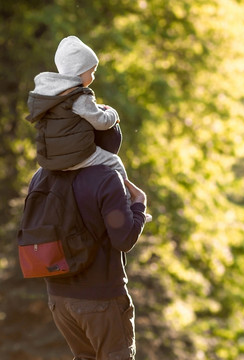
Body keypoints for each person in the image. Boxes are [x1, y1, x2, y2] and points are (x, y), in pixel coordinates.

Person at [26, 126, 148, 360]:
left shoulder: (42, 175)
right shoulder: (106, 177)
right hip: (101, 298)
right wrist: (139, 205)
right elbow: (124, 239)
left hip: (59, 299)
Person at [26, 35, 151, 221]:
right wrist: (113, 114)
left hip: (51, 158)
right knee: (114, 162)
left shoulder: (52, 97)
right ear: (79, 71)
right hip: (76, 155)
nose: (92, 77)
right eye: (91, 72)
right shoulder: (79, 96)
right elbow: (101, 122)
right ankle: (130, 206)